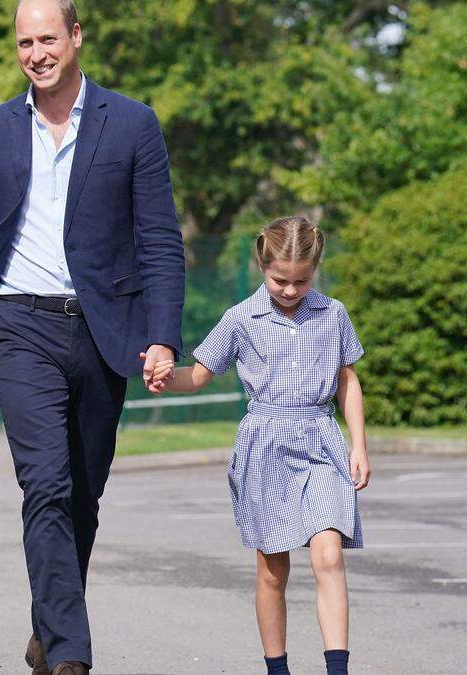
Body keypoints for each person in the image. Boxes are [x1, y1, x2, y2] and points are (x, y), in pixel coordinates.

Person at [0, 1, 185, 672]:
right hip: (17, 324)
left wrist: (162, 336)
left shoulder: (132, 124)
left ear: (76, 37)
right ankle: (72, 655)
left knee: (82, 492)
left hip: (105, 331)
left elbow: (160, 240)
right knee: (44, 483)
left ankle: (49, 625)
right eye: (24, 42)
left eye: (47, 38)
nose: (35, 52)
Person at [146, 216, 369, 675]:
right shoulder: (240, 319)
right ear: (262, 266)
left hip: (320, 440)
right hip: (264, 446)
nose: (290, 289)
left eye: (301, 280)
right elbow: (200, 375)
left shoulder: (334, 314)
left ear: (316, 269)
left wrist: (359, 446)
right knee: (273, 570)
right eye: (279, 279)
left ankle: (338, 669)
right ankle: (277, 668)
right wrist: (167, 378)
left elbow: (348, 379)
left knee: (328, 554)